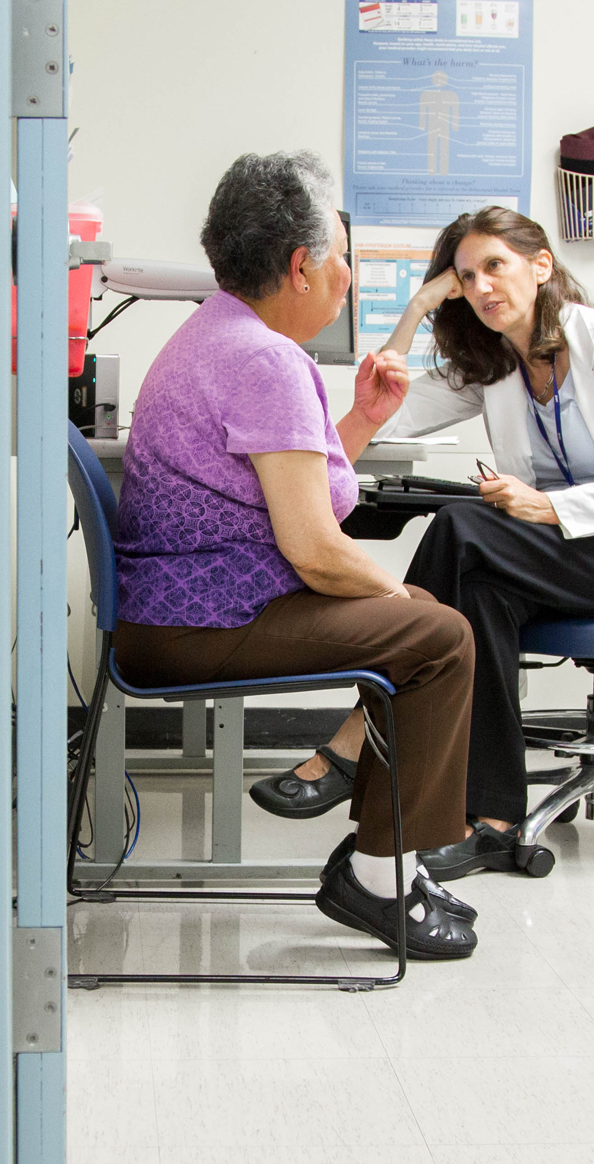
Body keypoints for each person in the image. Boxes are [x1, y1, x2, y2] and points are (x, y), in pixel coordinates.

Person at [247, 205, 594, 879]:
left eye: (495, 267)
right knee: (478, 595)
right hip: (568, 558)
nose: (481, 287)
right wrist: (419, 307)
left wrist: (547, 506)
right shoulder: (494, 364)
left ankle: (362, 732)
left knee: (460, 531)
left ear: (541, 266)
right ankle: (497, 818)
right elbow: (386, 413)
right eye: (465, 276)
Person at [112, 151, 479, 959]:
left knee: (418, 627)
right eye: (343, 256)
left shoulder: (221, 333)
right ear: (300, 266)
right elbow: (314, 548)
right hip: (202, 624)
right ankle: (380, 877)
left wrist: (363, 423)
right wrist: (402, 597)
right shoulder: (264, 360)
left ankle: (386, 845)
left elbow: (288, 488)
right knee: (440, 637)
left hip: (182, 610)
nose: (348, 275)